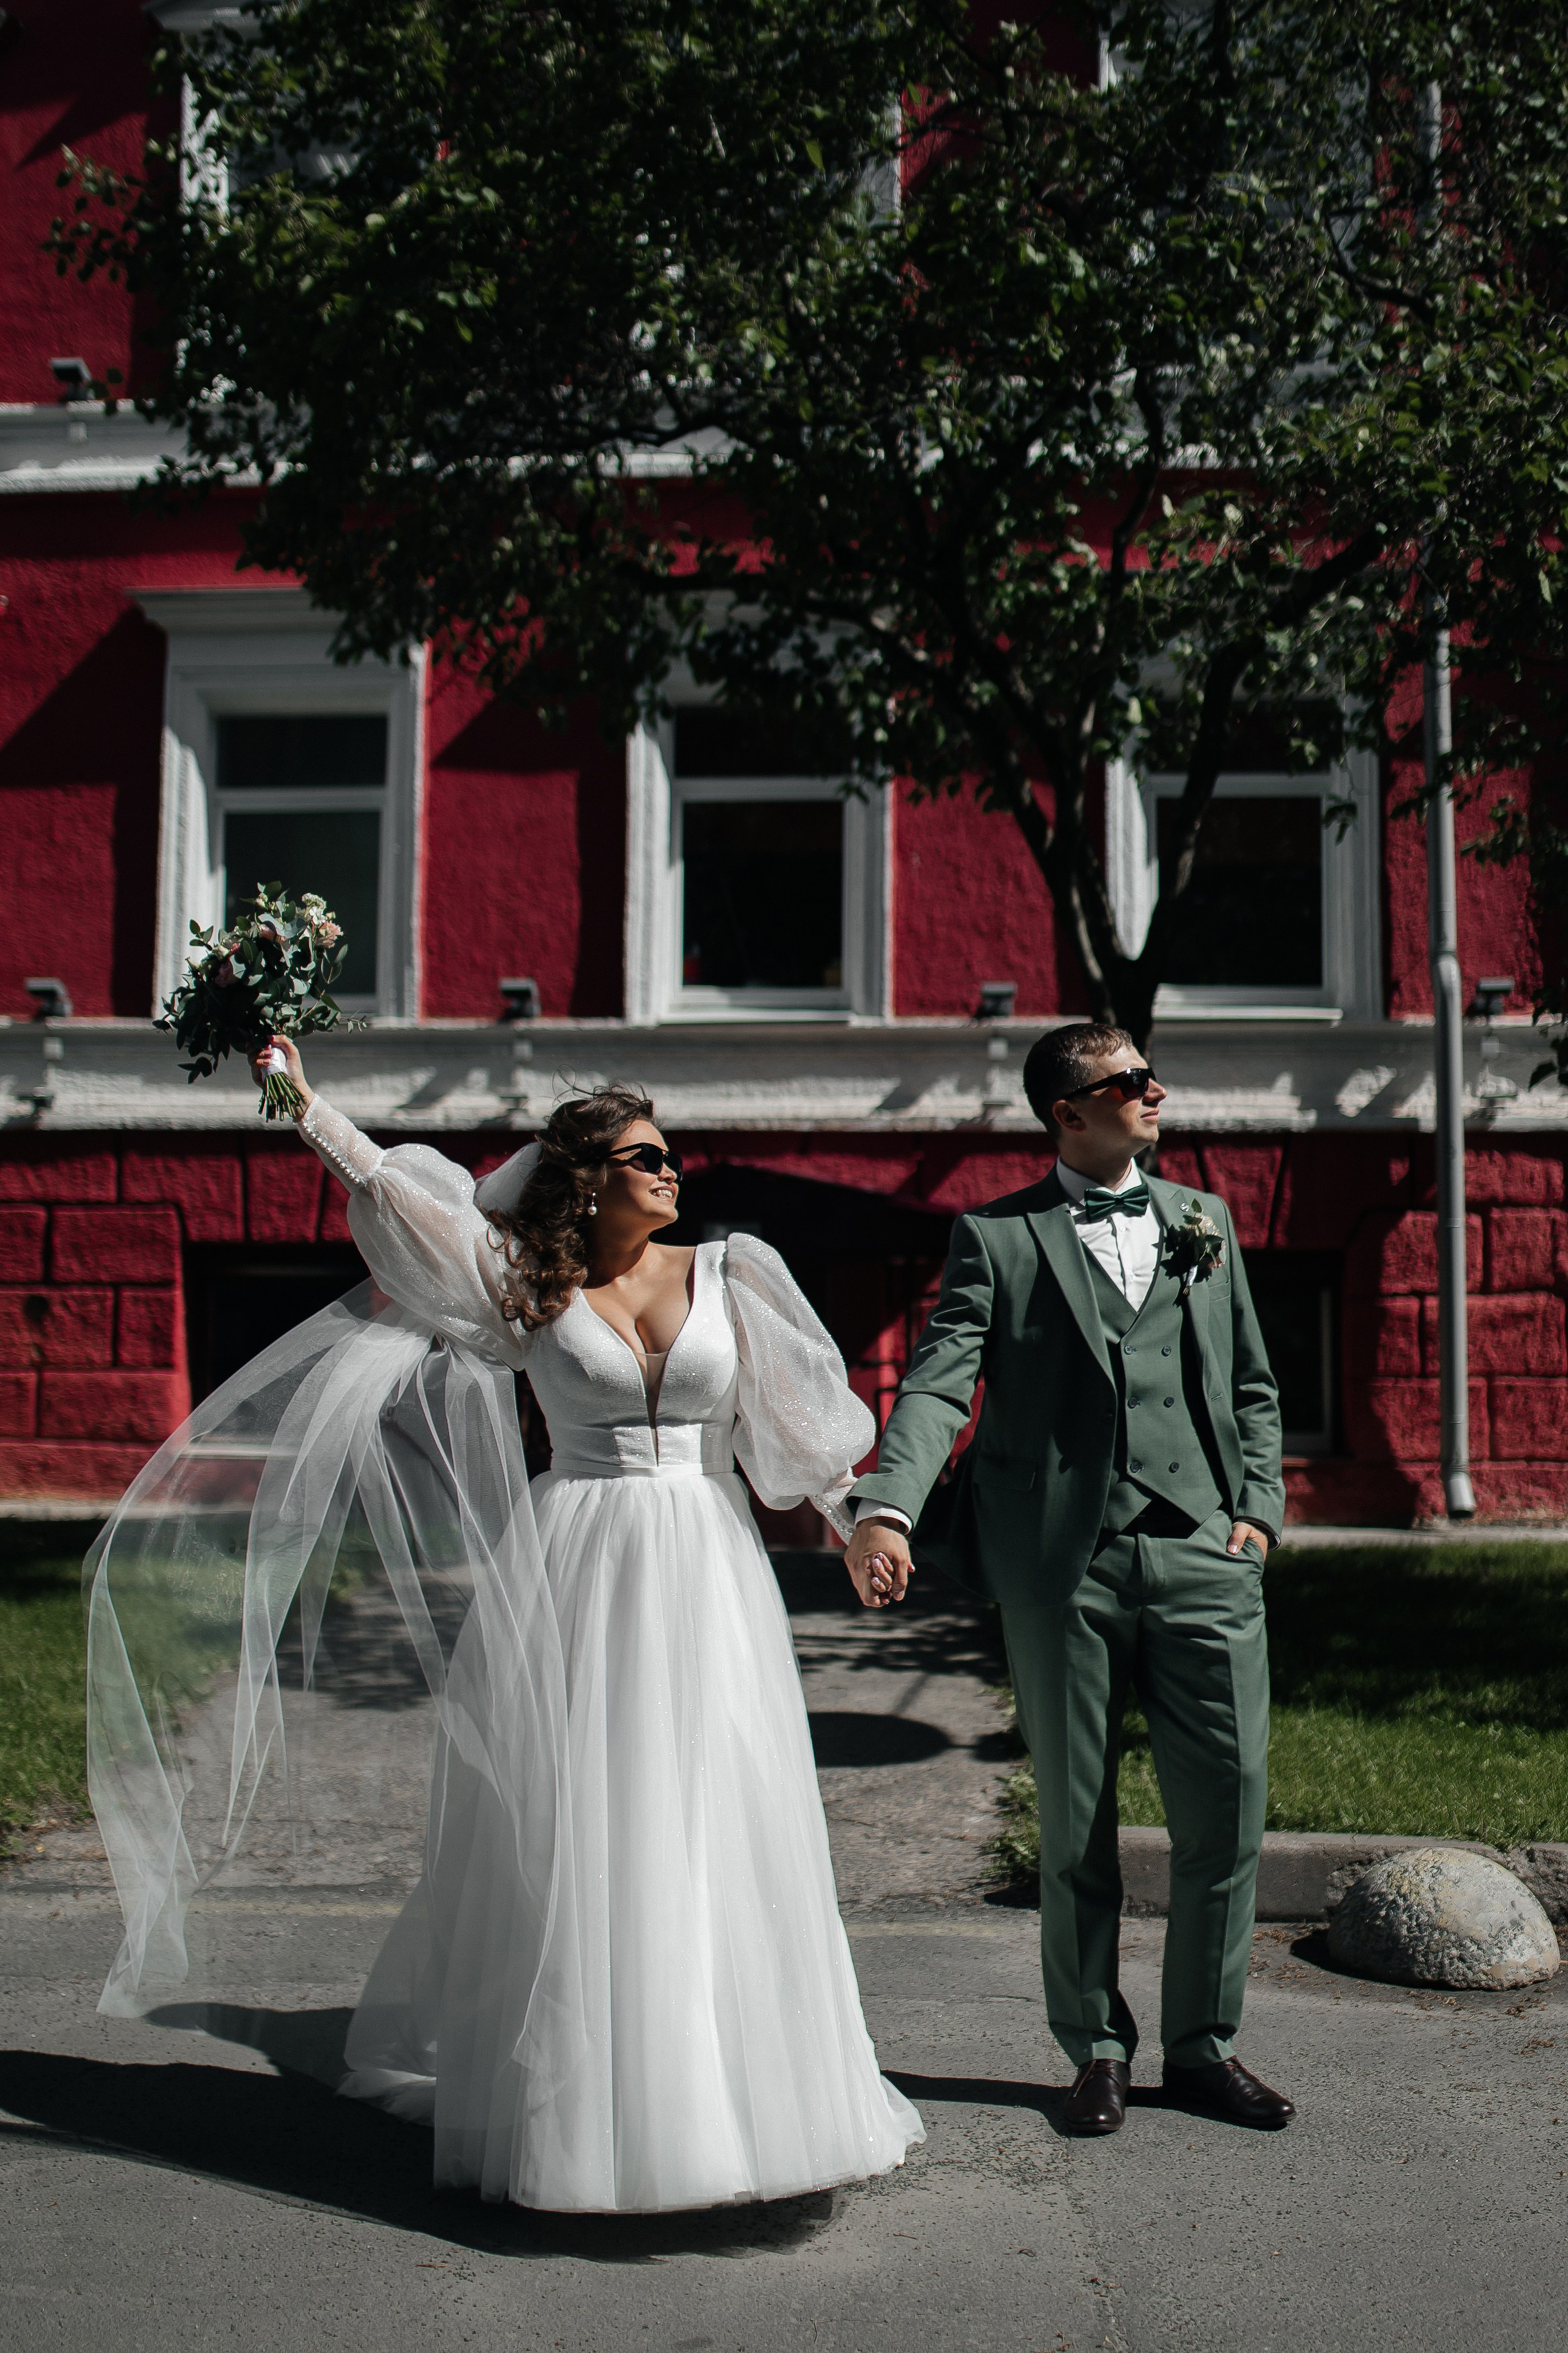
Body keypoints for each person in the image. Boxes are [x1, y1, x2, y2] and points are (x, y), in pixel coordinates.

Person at [83, 1042, 921, 2212]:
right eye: (645, 1158)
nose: (671, 1172)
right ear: (587, 1179)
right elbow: (393, 1195)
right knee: (586, 1825)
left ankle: (748, 2101)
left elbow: (792, 1428)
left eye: (671, 1156)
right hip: (574, 1564)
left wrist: (855, 1522)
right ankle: (592, 2117)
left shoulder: (735, 1270)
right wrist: (304, 1103)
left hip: (705, 1565)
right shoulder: (524, 1283)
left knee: (718, 1814)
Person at [843, 1023, 1292, 2137]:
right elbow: (940, 1386)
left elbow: (1249, 1385)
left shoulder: (1204, 1222)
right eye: (1129, 1083)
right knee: (1075, 1816)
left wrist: (1256, 1517)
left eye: (1149, 1077)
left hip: (1203, 1551)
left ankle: (1201, 2048)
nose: (1155, 1093)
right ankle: (1093, 2045)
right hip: (1062, 1565)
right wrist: (887, 1503)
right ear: (1067, 1113)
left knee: (1227, 1812)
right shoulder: (995, 1240)